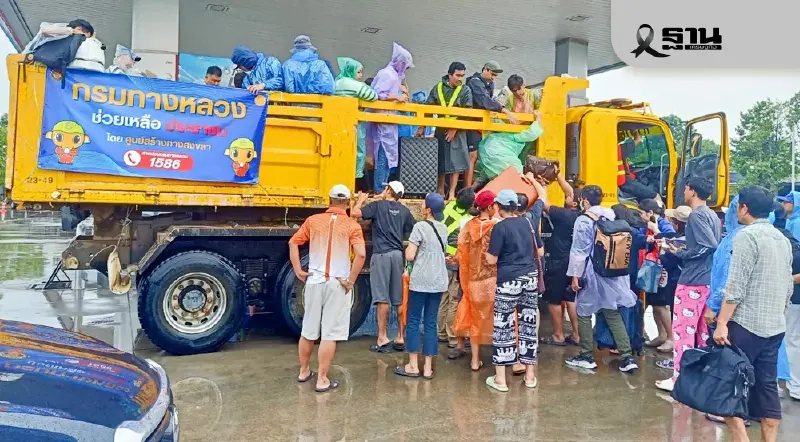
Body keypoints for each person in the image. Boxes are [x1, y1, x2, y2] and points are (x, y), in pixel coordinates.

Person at [713, 186, 792, 442]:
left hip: (746, 326)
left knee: (729, 388)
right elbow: (787, 285)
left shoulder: (746, 236)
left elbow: (736, 285)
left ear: (744, 208)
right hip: (774, 327)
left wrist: (722, 322)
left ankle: (741, 438)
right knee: (767, 389)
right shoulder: (782, 238)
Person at [289, 184, 366, 393]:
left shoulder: (313, 221)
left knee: (308, 330)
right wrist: (350, 280)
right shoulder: (352, 226)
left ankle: (304, 371)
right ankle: (322, 379)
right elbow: (360, 255)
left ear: (329, 200)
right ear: (348, 203)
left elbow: (293, 242)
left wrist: (298, 269)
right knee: (329, 334)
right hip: (337, 283)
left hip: (314, 281)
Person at [655, 177, 721, 392]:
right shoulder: (711, 214)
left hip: (692, 281)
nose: (683, 192)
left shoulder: (696, 216)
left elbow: (707, 245)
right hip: (706, 281)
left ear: (692, 191)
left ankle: (679, 379)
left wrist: (681, 253)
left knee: (683, 331)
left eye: (685, 188)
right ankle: (699, 376)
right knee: (701, 333)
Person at [564, 185, 639, 373]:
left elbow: (579, 251)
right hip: (614, 272)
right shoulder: (611, 214)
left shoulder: (584, 220)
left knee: (583, 312)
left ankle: (586, 355)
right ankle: (627, 357)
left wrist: (575, 276)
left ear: (585, 200)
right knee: (612, 311)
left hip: (594, 273)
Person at [484, 190, 540, 392]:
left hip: (508, 280)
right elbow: (539, 251)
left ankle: (501, 379)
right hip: (530, 278)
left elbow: (491, 259)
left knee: (503, 326)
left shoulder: (500, 228)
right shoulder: (528, 223)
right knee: (528, 325)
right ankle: (530, 376)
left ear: (499, 206)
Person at [351, 181, 415, 353]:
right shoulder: (404, 211)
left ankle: (382, 337)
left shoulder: (378, 206)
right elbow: (413, 230)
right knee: (399, 299)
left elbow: (354, 214)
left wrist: (361, 200)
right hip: (397, 256)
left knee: (382, 298)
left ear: (387, 190)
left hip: (381, 255)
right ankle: (401, 337)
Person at [394, 193, 449, 379]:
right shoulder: (443, 228)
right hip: (439, 280)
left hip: (421, 281)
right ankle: (427, 368)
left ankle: (412, 366)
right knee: (431, 323)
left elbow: (410, 255)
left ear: (428, 210)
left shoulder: (420, 226)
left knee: (414, 320)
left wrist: (410, 247)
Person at [530, 173, 582, 346]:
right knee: (571, 299)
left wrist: (536, 182)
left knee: (553, 299)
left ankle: (558, 335)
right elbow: (570, 191)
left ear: (574, 202)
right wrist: (558, 175)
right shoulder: (581, 215)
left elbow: (543, 204)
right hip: (574, 262)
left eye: (568, 197)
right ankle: (576, 335)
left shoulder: (563, 215)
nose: (566, 196)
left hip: (558, 262)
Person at [454, 190, 500, 371]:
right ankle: (504, 357)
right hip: (493, 279)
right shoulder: (497, 226)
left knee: (475, 319)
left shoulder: (467, 226)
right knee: (499, 318)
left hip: (473, 281)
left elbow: (461, 254)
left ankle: (474, 360)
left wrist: (465, 280)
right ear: (489, 207)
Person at [415, 62, 473, 201]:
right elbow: (428, 108)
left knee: (456, 162)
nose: (460, 79)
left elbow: (467, 111)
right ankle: (440, 190)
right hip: (441, 129)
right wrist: (422, 127)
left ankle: (452, 193)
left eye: (462, 76)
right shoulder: (438, 88)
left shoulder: (465, 90)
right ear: (450, 75)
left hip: (458, 131)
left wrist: (455, 128)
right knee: (440, 160)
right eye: (458, 75)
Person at [465, 62, 520, 188]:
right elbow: (485, 101)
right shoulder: (475, 82)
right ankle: (467, 188)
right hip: (471, 123)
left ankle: (470, 187)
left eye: (495, 75)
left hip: (480, 124)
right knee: (472, 156)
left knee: (475, 156)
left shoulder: (489, 84)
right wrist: (504, 110)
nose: (493, 77)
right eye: (492, 74)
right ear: (485, 69)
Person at [368, 43, 414, 192]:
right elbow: (377, 94)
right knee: (383, 157)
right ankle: (378, 189)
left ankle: (382, 186)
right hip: (382, 120)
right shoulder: (386, 74)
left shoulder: (394, 76)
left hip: (389, 120)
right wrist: (396, 97)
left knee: (387, 158)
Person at [439, 188, 475, 352]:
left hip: (442, 255)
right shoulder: (467, 219)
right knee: (454, 298)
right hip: (454, 259)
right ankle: (452, 336)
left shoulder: (449, 206)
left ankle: (440, 332)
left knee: (444, 296)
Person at [638, 198, 676, 353]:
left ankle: (671, 338)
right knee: (654, 304)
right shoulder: (645, 225)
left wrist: (656, 231)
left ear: (650, 213)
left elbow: (670, 240)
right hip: (651, 266)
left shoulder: (664, 225)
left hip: (662, 268)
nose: (640, 216)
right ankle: (661, 335)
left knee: (661, 305)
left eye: (641, 213)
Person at [772, 203, 800, 402]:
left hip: (793, 299)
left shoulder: (777, 240)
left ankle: (796, 386)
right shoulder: (789, 238)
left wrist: (786, 279)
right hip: (791, 298)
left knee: (792, 341)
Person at [334, 57, 378, 183]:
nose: (360, 75)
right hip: (354, 123)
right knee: (358, 150)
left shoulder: (336, 82)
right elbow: (373, 96)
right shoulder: (354, 85)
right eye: (358, 72)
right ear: (351, 71)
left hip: (337, 121)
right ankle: (356, 177)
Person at [474, 115, 544, 184]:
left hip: (485, 151)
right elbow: (531, 134)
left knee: (490, 172)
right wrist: (538, 119)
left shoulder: (504, 129)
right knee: (516, 171)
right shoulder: (516, 135)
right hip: (499, 154)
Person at [23, 19, 95, 54]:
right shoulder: (64, 29)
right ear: (78, 28)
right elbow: (44, 30)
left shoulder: (74, 43)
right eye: (83, 33)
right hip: (29, 57)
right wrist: (71, 31)